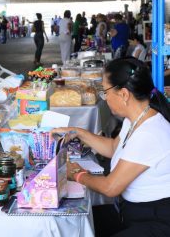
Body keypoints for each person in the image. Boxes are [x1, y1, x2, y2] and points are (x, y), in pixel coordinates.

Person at [52, 57, 170, 237]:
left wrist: (76, 173)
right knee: (75, 224)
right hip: (131, 211)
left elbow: (110, 187)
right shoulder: (136, 118)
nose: (104, 98)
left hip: (156, 220)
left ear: (123, 94)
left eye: (105, 91)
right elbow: (115, 148)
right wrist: (79, 132)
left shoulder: (149, 132)